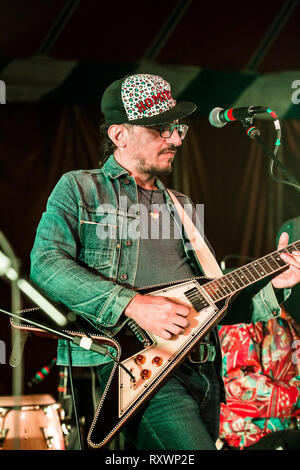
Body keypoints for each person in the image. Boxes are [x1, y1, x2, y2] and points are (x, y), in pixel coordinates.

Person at [30, 73, 300, 450]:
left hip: (201, 372)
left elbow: (213, 299)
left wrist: (275, 283)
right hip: (133, 367)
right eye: (160, 128)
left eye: (177, 127)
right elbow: (45, 263)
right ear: (119, 135)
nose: (175, 138)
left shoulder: (183, 206)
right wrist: (134, 305)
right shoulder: (80, 188)